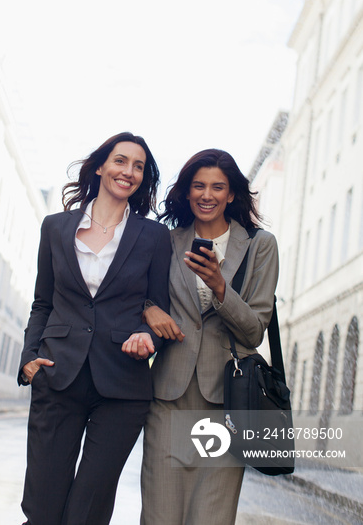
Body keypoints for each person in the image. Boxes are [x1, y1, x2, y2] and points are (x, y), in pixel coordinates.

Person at [18, 132, 171, 525]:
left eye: (139, 166)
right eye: (121, 161)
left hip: (122, 387)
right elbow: (43, 302)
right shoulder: (55, 227)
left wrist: (148, 338)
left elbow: (159, 307)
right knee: (42, 508)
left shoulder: (154, 236)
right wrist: (29, 359)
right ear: (101, 166)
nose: (129, 171)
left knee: (87, 511)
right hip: (57, 375)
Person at [140, 148, 279, 525]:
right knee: (159, 515)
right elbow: (137, 295)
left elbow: (254, 329)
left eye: (218, 187)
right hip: (168, 399)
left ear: (231, 194)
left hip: (228, 403)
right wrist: (147, 307)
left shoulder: (259, 245)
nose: (207, 194)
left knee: (211, 519)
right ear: (187, 192)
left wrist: (220, 287)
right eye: (198, 186)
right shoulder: (165, 242)